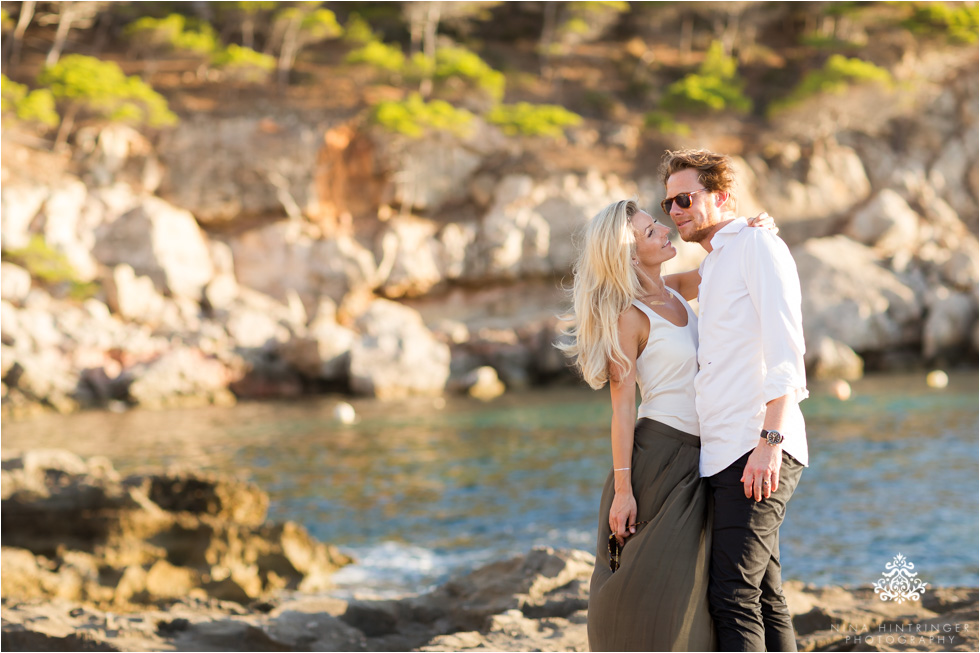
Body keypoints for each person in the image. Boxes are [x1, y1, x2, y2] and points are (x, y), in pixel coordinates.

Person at [556, 199, 774, 651]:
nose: (663, 230)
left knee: (701, 585)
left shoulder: (675, 290)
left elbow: (726, 265)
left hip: (706, 452)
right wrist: (623, 490)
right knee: (657, 582)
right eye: (649, 230)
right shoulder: (628, 317)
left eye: (656, 223)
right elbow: (620, 409)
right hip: (659, 458)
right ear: (630, 254)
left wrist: (749, 229)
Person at [661, 148, 808, 652]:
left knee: (731, 595)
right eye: (668, 204)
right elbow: (670, 287)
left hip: (757, 445)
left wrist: (768, 443)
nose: (676, 210)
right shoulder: (718, 259)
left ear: (720, 196)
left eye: (685, 198)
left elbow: (788, 352)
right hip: (722, 451)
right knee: (764, 594)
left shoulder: (756, 245)